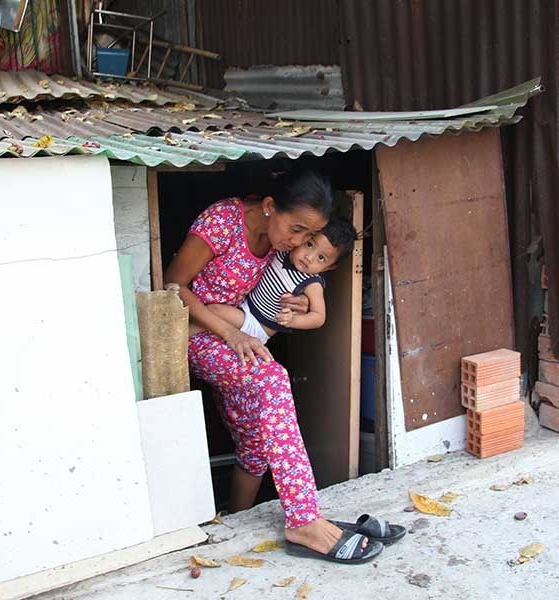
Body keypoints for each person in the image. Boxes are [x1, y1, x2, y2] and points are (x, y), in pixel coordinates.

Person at [164, 169, 393, 563]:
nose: (298, 243)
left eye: (308, 238)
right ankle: (304, 517)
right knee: (272, 379)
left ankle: (235, 524)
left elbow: (291, 281)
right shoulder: (222, 222)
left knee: (255, 441)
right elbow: (173, 284)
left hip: (237, 338)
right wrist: (232, 334)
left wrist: (301, 303)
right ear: (270, 207)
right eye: (298, 230)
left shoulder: (278, 242)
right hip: (194, 334)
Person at [187, 216, 358, 344]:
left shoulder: (312, 283)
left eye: (321, 258)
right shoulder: (284, 250)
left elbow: (319, 317)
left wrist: (294, 320)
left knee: (216, 311)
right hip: (246, 307)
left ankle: (180, 338)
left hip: (257, 325)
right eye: (310, 245)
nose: (309, 257)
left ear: (329, 267)